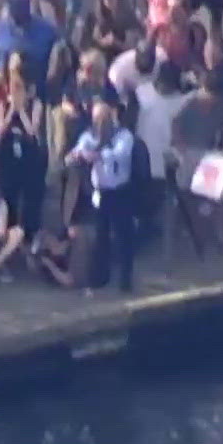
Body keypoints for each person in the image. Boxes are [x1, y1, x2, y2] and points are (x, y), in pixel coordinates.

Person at [70, 90, 137, 292]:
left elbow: (120, 155)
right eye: (96, 119)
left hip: (120, 192)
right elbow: (80, 148)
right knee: (101, 237)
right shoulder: (90, 136)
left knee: (124, 236)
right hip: (101, 193)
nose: (99, 123)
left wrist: (97, 155)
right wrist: (76, 154)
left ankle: (126, 279)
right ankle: (101, 278)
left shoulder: (124, 136)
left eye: (102, 119)